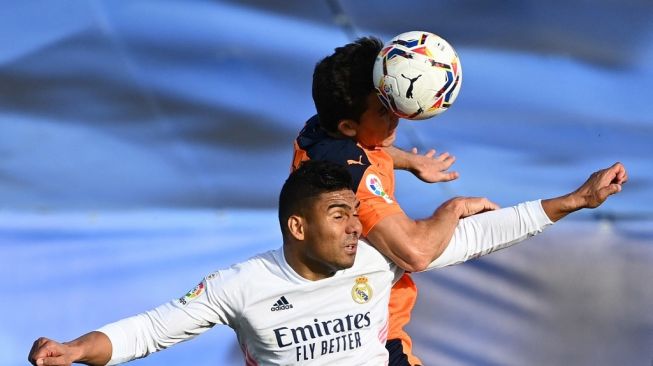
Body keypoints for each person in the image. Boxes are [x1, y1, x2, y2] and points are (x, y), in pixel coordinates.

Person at [28, 160, 627, 366]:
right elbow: (151, 329)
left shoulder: (374, 259)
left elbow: (478, 236)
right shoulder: (242, 285)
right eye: (340, 214)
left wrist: (577, 199)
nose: (354, 224)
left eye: (354, 211)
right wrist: (77, 351)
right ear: (297, 227)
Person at [290, 35, 619, 365]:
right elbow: (417, 252)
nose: (398, 115)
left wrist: (408, 160)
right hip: (367, 344)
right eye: (384, 110)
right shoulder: (350, 183)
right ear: (349, 126)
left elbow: (365, 146)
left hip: (341, 331)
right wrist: (454, 208)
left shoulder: (319, 131)